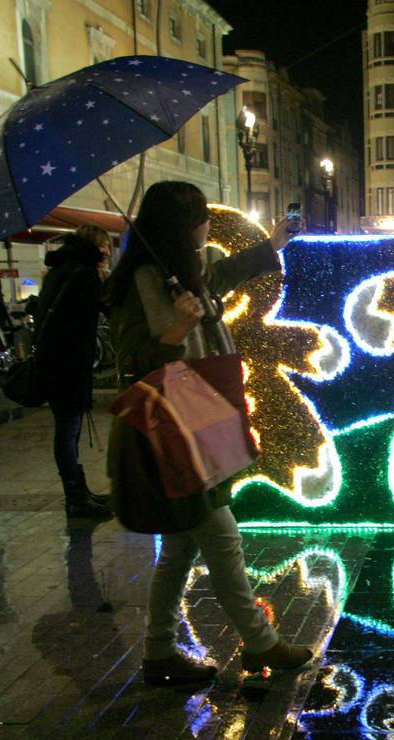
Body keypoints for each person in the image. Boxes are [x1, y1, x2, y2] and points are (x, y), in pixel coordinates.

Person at [105, 181, 313, 686]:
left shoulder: (183, 273)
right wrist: (175, 331)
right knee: (221, 538)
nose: (205, 224)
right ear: (181, 224)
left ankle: (159, 654)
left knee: (180, 548)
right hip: (171, 425)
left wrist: (271, 246)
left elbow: (220, 276)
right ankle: (261, 644)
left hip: (197, 414)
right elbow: (130, 361)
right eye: (199, 216)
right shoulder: (140, 282)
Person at [34, 225, 114, 518]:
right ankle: (76, 498)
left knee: (68, 430)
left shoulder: (61, 269)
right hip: (67, 365)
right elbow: (108, 307)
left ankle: (79, 492)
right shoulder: (84, 274)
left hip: (54, 362)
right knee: (68, 431)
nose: (107, 251)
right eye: (104, 245)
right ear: (94, 245)